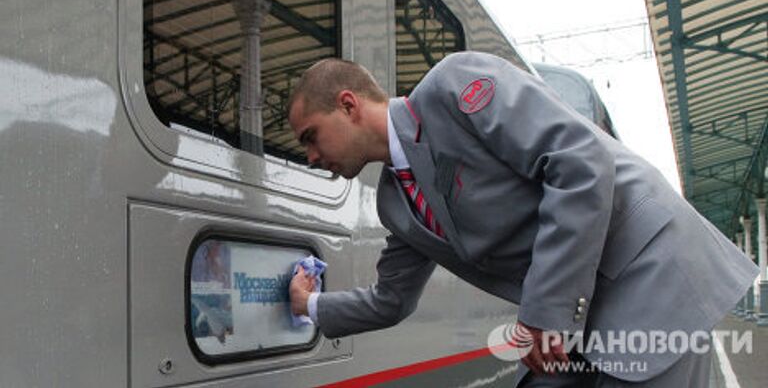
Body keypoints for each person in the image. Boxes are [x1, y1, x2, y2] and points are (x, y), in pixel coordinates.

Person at [287, 51, 757, 387]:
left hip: (648, 273)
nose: (310, 156)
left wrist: (542, 318)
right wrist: (308, 306)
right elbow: (391, 300)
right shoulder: (396, 203)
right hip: (578, 309)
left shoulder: (454, 84)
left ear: (348, 105)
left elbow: (580, 161)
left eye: (311, 136)